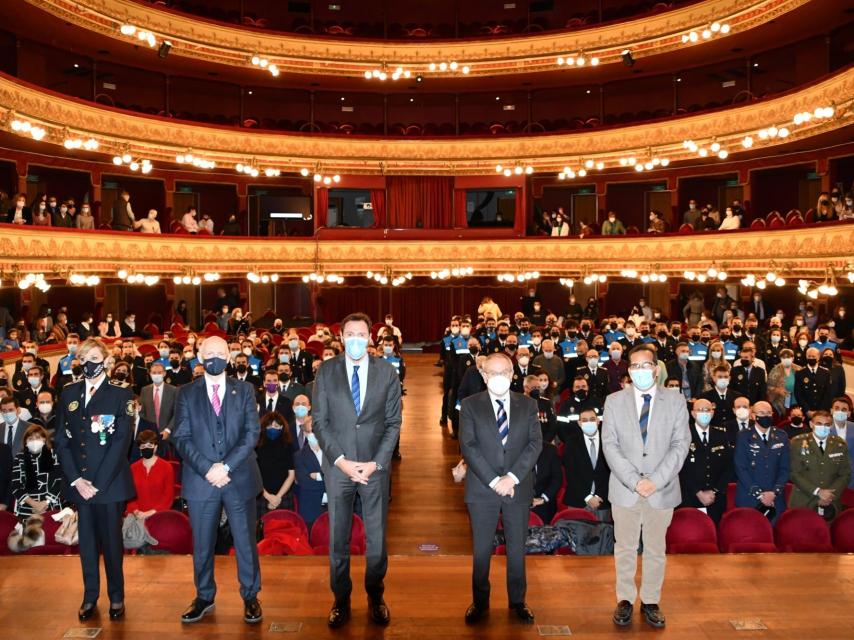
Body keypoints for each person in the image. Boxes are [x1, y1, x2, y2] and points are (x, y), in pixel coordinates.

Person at [311, 312, 402, 628]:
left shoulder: (387, 372)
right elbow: (320, 423)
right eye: (349, 333)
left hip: (374, 468)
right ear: (340, 336)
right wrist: (341, 461)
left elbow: (393, 423)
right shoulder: (326, 371)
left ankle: (376, 595)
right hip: (339, 468)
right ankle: (341, 597)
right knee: (338, 538)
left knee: (376, 539)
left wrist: (376, 462)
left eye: (361, 334)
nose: (355, 339)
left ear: (370, 338)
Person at [172, 335, 263, 624]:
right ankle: (204, 596)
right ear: (199, 356)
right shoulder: (185, 393)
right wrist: (208, 469)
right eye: (208, 353)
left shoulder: (246, 389)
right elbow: (181, 437)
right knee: (202, 543)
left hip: (239, 477)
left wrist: (226, 467)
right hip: (202, 480)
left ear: (229, 355)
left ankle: (250, 595)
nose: (214, 357)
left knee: (245, 541)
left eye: (220, 352)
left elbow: (252, 433)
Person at [602, 344, 690, 630]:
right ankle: (625, 600)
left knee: (655, 548)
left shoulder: (675, 401)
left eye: (646, 365)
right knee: (624, 547)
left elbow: (680, 445)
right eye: (635, 366)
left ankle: (651, 601)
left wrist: (656, 480)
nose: (641, 371)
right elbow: (610, 445)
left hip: (661, 489)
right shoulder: (614, 401)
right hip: (625, 488)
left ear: (656, 368)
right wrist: (635, 480)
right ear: (629, 371)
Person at [54, 338, 134, 621]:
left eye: (95, 356)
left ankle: (116, 597)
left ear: (106, 360)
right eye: (84, 356)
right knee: (86, 544)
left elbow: (122, 442)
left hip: (108, 485)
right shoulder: (68, 394)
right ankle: (90, 596)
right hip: (80, 485)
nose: (89, 361)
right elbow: (61, 441)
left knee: (112, 544)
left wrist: (96, 483)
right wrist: (76, 480)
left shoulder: (121, 395)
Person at [459, 353, 541, 625]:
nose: (499, 377)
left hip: (517, 488)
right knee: (482, 550)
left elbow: (534, 445)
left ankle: (518, 601)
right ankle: (480, 602)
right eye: (492, 373)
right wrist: (495, 481)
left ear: (512, 374)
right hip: (482, 489)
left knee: (517, 549)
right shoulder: (470, 405)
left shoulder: (528, 405)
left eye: (504, 372)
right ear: (483, 375)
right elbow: (468, 447)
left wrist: (512, 478)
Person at [788, 410, 850, 521]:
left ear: (831, 426)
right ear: (811, 424)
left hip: (830, 503)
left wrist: (830, 494)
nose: (823, 427)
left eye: (826, 425)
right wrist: (818, 492)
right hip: (803, 500)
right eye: (819, 424)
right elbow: (794, 473)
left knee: (826, 536)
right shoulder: (797, 443)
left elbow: (845, 474)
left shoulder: (839, 445)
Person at [733, 400, 789, 522]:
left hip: (775, 499)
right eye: (762, 413)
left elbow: (785, 468)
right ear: (753, 415)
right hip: (749, 497)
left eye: (769, 413)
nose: (766, 416)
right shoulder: (743, 436)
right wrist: (760, 494)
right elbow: (740, 468)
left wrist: (773, 493)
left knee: (773, 536)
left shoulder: (782, 435)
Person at [678, 399, 731, 524]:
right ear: (693, 413)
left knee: (713, 535)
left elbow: (729, 466)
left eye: (707, 410)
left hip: (715, 499)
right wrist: (698, 492)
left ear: (712, 413)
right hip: (690, 497)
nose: (704, 413)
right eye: (700, 410)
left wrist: (715, 491)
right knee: (691, 535)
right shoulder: (683, 435)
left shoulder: (721, 435)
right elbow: (680, 468)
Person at [563, 408, 611, 520]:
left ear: (598, 421)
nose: (589, 422)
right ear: (579, 423)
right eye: (584, 420)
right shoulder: (571, 442)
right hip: (578, 499)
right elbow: (571, 473)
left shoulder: (609, 441)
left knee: (602, 535)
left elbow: (611, 472)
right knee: (577, 536)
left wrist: (599, 496)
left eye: (592, 419)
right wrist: (588, 497)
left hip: (602, 500)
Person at [11, 423, 63, 517]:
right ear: (25, 441)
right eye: (30, 438)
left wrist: (45, 503)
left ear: (44, 439)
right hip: (26, 510)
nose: (34, 441)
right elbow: (16, 486)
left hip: (51, 507)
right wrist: (34, 504)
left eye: (38, 438)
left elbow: (59, 481)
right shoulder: (20, 457)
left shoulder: (54, 455)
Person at [126, 429, 175, 518]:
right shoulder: (133, 468)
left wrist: (151, 512)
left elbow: (168, 497)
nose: (146, 448)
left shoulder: (166, 467)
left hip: (159, 516)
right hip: (137, 517)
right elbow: (130, 496)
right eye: (143, 446)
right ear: (139, 448)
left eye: (149, 445)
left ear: (155, 447)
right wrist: (136, 511)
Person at [256, 412, 296, 513]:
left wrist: (278, 497)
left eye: (276, 426)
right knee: (260, 528)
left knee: (286, 527)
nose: (272, 428)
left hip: (284, 496)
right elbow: (253, 474)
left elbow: (291, 475)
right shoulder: (256, 446)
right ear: (264, 427)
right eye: (269, 426)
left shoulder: (288, 446)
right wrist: (268, 496)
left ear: (281, 427)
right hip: (261, 495)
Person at [294, 414, 327, 527]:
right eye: (310, 431)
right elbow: (305, 483)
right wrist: (328, 480)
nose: (314, 434)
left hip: (333, 508)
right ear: (304, 434)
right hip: (311, 510)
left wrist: (318, 477)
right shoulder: (299, 456)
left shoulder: (333, 453)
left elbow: (341, 478)